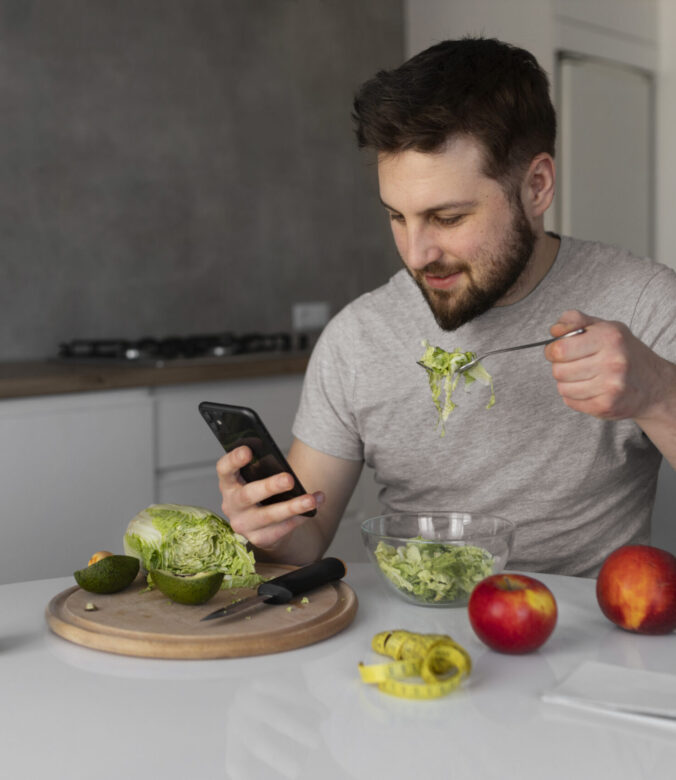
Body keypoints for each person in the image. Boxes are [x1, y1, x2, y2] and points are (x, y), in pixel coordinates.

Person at [215, 37, 676, 577]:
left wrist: (659, 393)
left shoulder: (643, 302)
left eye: (449, 218)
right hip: (411, 637)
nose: (417, 254)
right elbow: (304, 541)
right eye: (397, 217)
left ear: (537, 186)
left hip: (582, 644)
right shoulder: (357, 337)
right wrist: (265, 526)